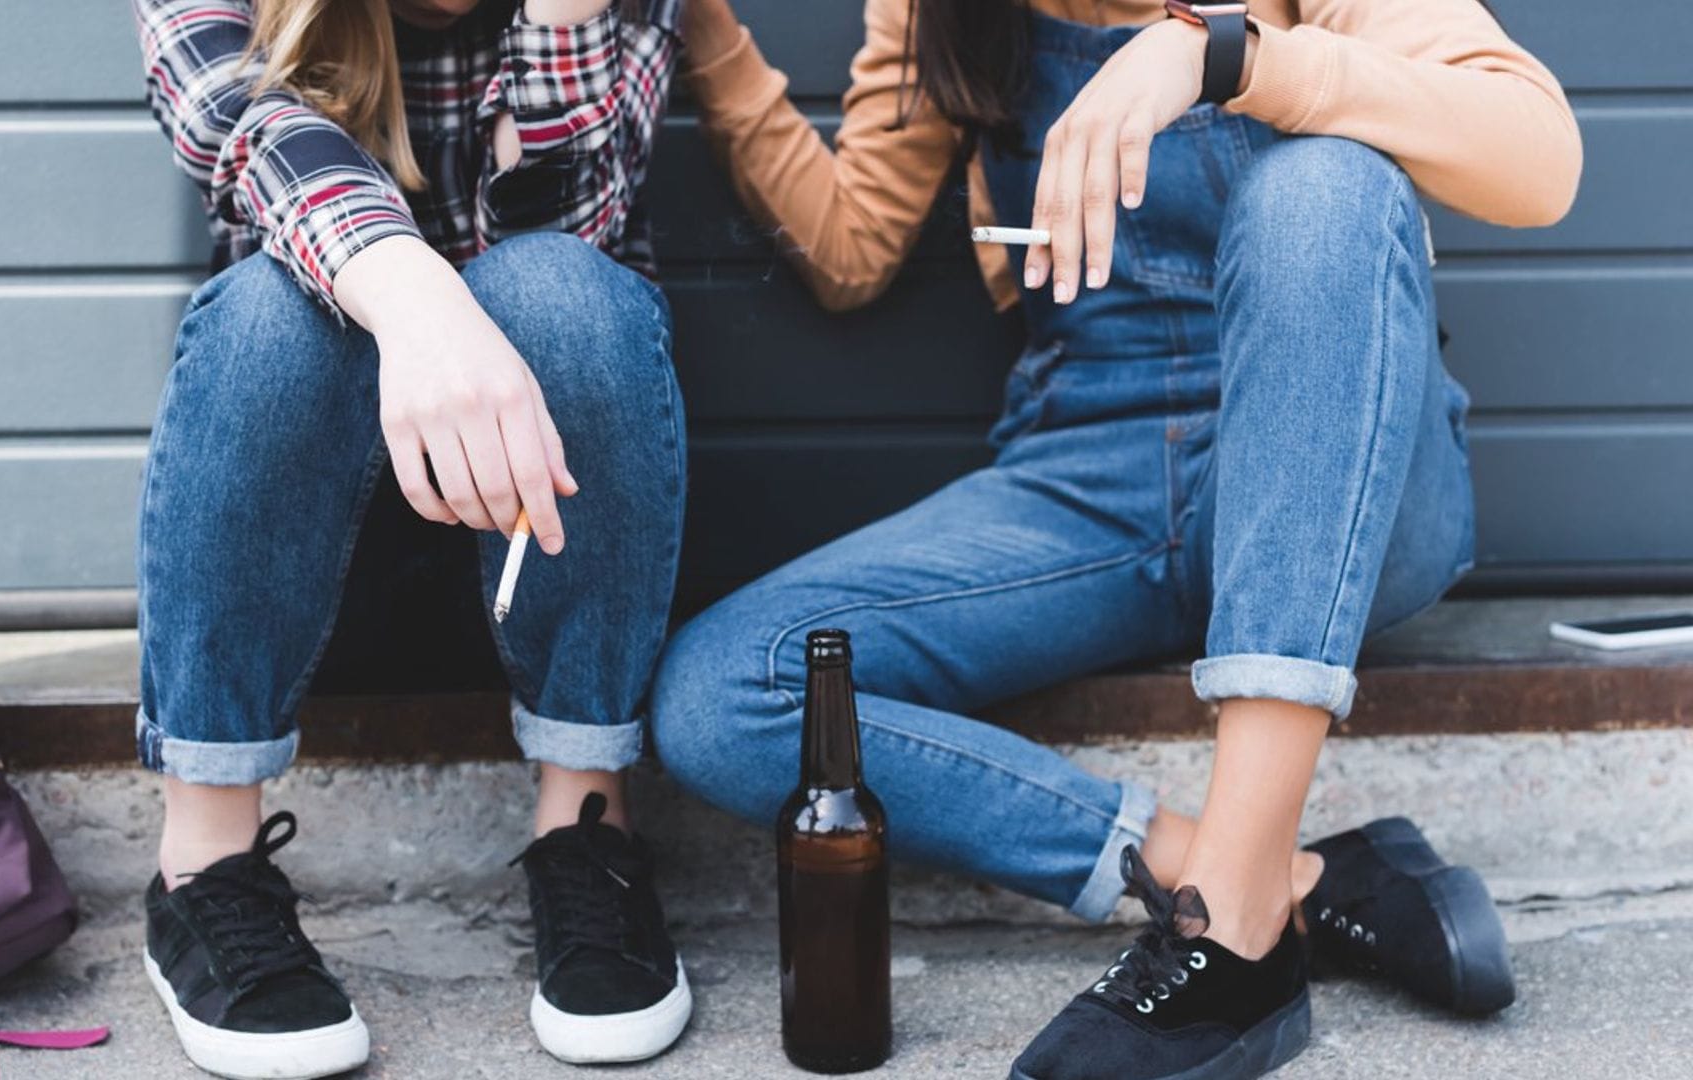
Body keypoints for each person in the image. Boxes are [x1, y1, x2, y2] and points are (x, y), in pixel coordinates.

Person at [651, 0, 1581, 1076]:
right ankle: (1270, 879)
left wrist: (1221, 54)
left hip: (1344, 468)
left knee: (1326, 184)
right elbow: (851, 246)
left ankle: (1227, 937)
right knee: (726, 691)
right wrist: (702, 29)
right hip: (1092, 466)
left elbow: (1539, 155)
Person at [129, 0, 690, 1074]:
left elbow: (580, 216)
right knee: (269, 313)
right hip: (301, 558)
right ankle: (203, 862)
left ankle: (586, 824)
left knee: (564, 290)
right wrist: (416, 294)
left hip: (546, 535)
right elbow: (238, 127)